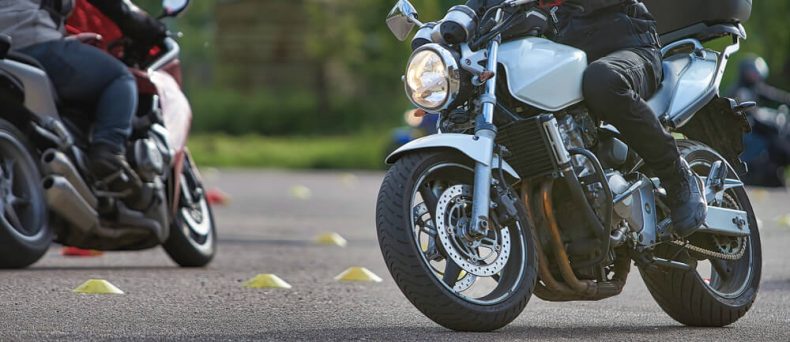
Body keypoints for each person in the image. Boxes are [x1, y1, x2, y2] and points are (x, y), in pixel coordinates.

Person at [466, 0, 706, 236]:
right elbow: (475, 8)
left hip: (629, 48)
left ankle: (677, 176)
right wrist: (433, 37)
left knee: (602, 80)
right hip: (566, 59)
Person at [0, 0, 165, 197]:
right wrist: (144, 25)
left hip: (11, 51)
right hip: (29, 41)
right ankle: (109, 151)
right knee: (119, 77)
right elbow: (116, 7)